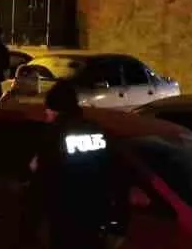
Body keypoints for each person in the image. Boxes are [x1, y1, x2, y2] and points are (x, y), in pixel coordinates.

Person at [30, 80, 123, 249]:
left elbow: (43, 181)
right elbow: (114, 173)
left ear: (54, 109)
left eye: (48, 110)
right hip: (95, 216)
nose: (46, 114)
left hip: (65, 218)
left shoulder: (53, 135)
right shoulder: (95, 130)